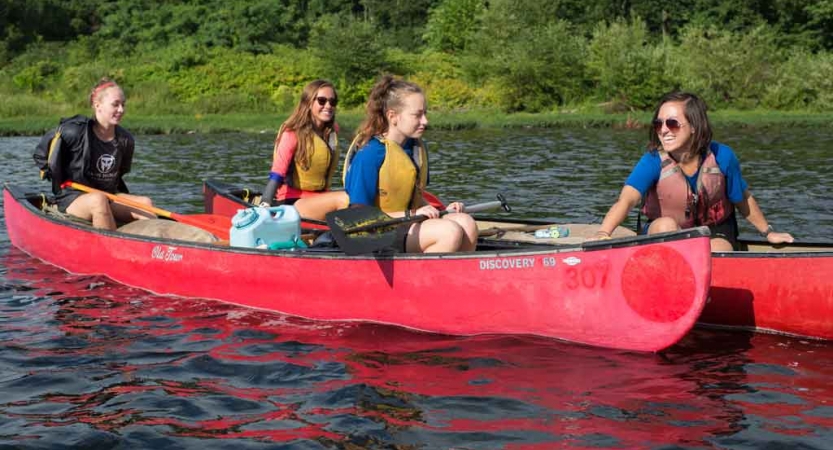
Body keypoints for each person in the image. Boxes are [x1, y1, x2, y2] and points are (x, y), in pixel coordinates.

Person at [591, 91, 794, 251]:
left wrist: (768, 232)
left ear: (695, 126)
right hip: (664, 231)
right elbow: (626, 200)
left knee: (717, 249)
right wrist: (603, 233)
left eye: (672, 123)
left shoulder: (723, 156)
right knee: (666, 226)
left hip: (714, 232)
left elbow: (742, 198)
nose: (663, 130)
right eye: (658, 123)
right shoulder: (652, 161)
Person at [342, 75, 478, 253]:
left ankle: (457, 278)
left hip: (406, 224)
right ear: (393, 116)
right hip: (375, 232)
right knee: (449, 232)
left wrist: (444, 209)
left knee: (465, 222)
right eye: (417, 115)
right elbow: (358, 217)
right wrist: (411, 215)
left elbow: (413, 197)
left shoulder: (414, 148)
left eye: (425, 114)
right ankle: (424, 280)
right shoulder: (370, 153)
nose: (425, 121)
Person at [33, 77, 153, 230]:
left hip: (108, 195)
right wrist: (56, 175)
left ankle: (154, 248)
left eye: (123, 105)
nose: (121, 110)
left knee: (145, 203)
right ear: (98, 105)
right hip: (72, 199)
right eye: (115, 104)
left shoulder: (126, 139)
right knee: (98, 200)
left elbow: (120, 172)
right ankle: (110, 249)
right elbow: (40, 156)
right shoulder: (73, 131)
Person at [259, 79, 348, 221]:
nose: (328, 106)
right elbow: (277, 174)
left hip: (320, 198)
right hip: (292, 203)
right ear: (308, 102)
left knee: (356, 198)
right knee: (345, 199)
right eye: (322, 101)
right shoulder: (292, 133)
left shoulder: (332, 131)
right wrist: (265, 203)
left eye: (333, 102)